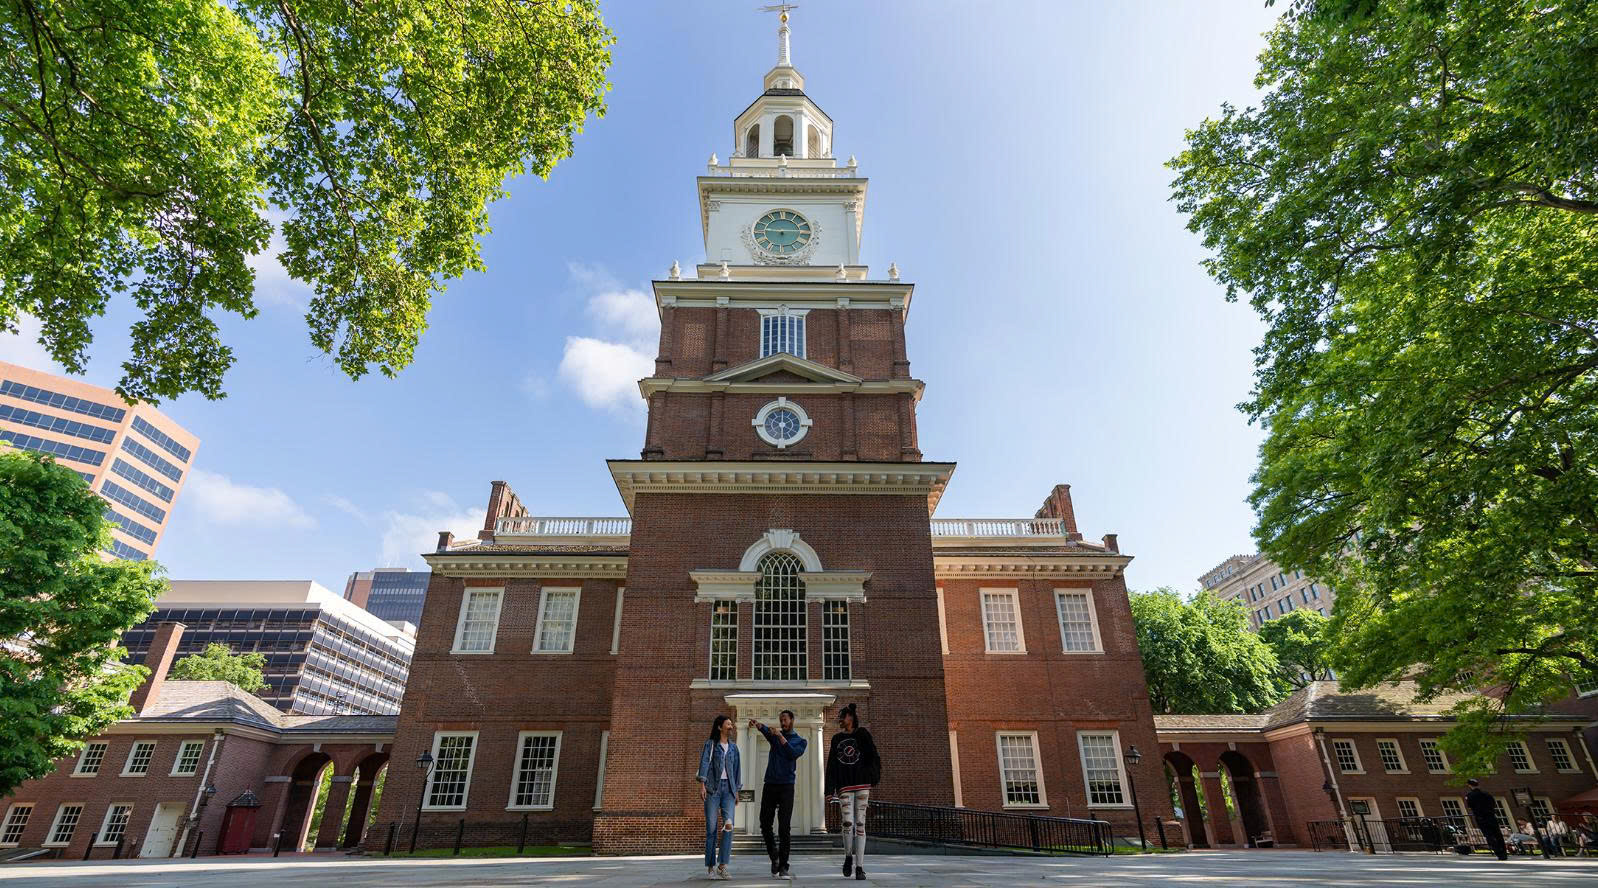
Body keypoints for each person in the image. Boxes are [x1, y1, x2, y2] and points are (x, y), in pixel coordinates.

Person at [824, 702, 880, 881]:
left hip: (862, 784)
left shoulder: (863, 734)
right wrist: (829, 789)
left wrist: (873, 777)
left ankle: (860, 867)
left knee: (861, 824)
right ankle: (848, 856)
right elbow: (831, 764)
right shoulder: (836, 739)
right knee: (847, 822)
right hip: (844, 785)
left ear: (851, 717)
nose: (841, 718)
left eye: (844, 715)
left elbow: (873, 756)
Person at [751, 711, 808, 879]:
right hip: (770, 784)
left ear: (792, 720)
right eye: (781, 720)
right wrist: (757, 723)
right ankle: (774, 856)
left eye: (785, 719)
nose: (782, 722)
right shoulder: (775, 736)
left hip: (786, 787)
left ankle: (784, 866)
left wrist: (781, 738)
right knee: (764, 823)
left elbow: (792, 754)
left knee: (784, 828)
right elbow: (766, 730)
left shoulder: (800, 741)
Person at [696, 714, 742, 880]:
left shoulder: (734, 748)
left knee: (729, 826)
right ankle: (710, 867)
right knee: (712, 829)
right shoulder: (710, 744)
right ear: (720, 727)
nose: (731, 727)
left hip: (728, 791)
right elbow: (704, 764)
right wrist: (702, 784)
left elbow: (737, 770)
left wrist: (736, 790)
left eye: (731, 724)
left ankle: (723, 865)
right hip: (712, 790)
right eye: (728, 724)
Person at [1464, 779, 1508, 861]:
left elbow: (1470, 806)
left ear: (1469, 785)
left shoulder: (1470, 795)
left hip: (1481, 817)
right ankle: (1504, 852)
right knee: (1498, 834)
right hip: (1491, 816)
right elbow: (1493, 804)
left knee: (1489, 835)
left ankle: (1499, 852)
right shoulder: (1487, 794)